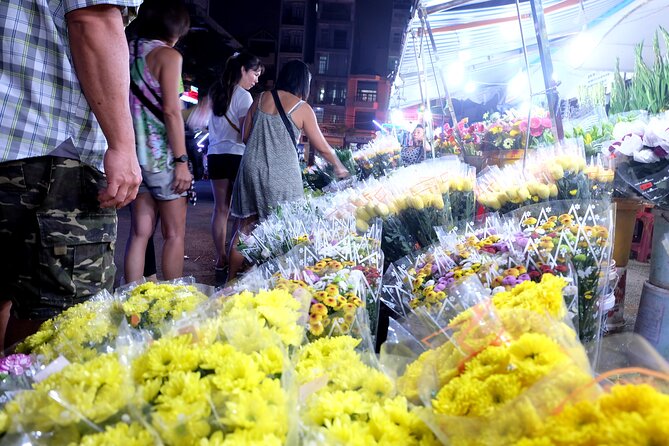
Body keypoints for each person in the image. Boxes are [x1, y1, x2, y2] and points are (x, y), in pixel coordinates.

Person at [0, 1, 143, 349]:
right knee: (63, 325)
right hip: (46, 148)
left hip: (14, 141)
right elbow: (93, 18)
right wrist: (122, 144)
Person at [227, 60, 350, 280]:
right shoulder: (302, 108)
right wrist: (339, 165)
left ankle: (230, 281)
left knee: (244, 229)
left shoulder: (261, 98)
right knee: (283, 229)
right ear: (303, 82)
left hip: (249, 170)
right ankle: (270, 282)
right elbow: (321, 146)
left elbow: (245, 137)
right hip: (281, 174)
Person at [123, 0, 193, 283]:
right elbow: (171, 111)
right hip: (160, 156)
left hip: (132, 154)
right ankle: (171, 306)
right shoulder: (169, 56)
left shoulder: (128, 50)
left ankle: (131, 303)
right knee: (174, 234)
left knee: (140, 233)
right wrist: (181, 161)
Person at [207, 52, 264, 281]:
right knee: (241, 213)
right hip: (236, 156)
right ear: (243, 70)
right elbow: (244, 134)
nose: (256, 80)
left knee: (220, 209)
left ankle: (220, 258)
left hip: (215, 155)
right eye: (255, 74)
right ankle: (234, 259)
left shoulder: (216, 92)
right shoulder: (244, 97)